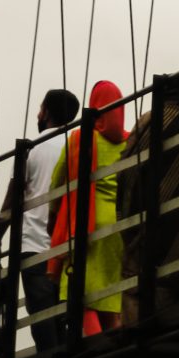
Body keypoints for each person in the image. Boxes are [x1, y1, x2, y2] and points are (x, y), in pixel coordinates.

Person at [117, 71, 179, 325]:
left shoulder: (150, 123)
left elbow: (127, 174)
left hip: (147, 237)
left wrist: (127, 221)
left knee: (138, 295)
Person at [0, 88, 78, 355]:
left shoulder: (31, 148)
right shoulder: (78, 145)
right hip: (69, 243)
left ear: (48, 113)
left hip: (34, 244)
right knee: (67, 312)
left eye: (41, 108)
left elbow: (13, 199)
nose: (38, 114)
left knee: (41, 315)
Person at [48, 79, 127, 337]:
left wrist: (53, 219)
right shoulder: (130, 141)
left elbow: (57, 183)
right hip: (119, 225)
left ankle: (97, 348)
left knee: (83, 299)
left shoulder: (81, 138)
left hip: (86, 224)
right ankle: (118, 349)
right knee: (110, 301)